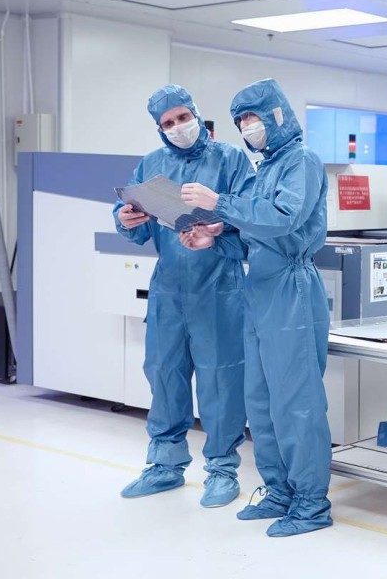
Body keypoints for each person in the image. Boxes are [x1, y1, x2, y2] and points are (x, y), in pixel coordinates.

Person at [181, 78, 332, 538]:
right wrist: (215, 234)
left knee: (296, 403)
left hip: (291, 290)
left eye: (252, 117)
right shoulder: (267, 166)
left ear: (277, 115)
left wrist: (219, 202)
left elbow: (283, 220)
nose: (247, 127)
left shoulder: (301, 162)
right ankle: (280, 491)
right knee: (261, 401)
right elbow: (254, 235)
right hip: (260, 290)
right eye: (240, 120)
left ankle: (311, 504)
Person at [113, 84, 253, 508]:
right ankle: (164, 465)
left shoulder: (230, 160)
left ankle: (222, 468)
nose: (177, 127)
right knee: (164, 373)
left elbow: (253, 224)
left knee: (220, 377)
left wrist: (218, 229)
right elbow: (136, 229)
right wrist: (126, 218)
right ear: (159, 129)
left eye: (182, 117)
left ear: (195, 113)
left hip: (218, 288)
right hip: (169, 289)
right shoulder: (152, 164)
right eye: (167, 123)